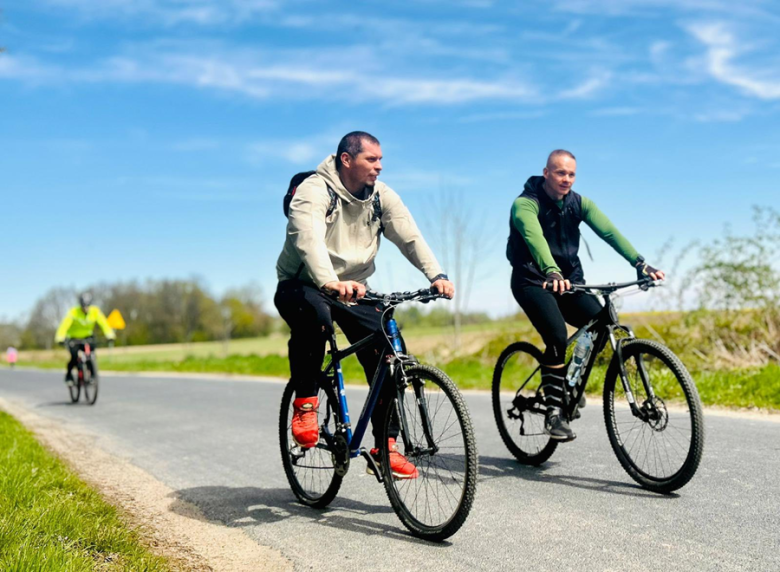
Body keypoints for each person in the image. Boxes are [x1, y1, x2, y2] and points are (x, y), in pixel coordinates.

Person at [275, 131, 454, 479]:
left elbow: (409, 236)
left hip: (354, 287)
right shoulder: (314, 189)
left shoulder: (380, 197)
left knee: (388, 349)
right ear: (347, 160)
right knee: (317, 319)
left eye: (381, 160)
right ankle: (306, 404)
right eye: (372, 159)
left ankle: (386, 446)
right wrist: (328, 281)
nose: (379, 166)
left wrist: (437, 274)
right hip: (304, 283)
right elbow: (307, 238)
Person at [507, 149, 664, 442]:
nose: (566, 179)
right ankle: (555, 411)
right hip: (532, 281)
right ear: (546, 173)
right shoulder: (525, 205)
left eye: (571, 174)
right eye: (560, 173)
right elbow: (534, 238)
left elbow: (610, 232)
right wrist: (551, 272)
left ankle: (567, 383)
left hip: (570, 282)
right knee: (555, 335)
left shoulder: (579, 204)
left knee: (601, 324)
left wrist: (640, 263)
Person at [54, 292, 116, 385]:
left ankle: (92, 376)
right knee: (74, 357)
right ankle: (69, 375)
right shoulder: (73, 312)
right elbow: (64, 325)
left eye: (87, 306)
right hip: (73, 338)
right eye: (83, 306)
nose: (85, 308)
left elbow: (104, 323)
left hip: (87, 336)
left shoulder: (95, 311)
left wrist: (109, 334)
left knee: (91, 355)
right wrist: (60, 337)